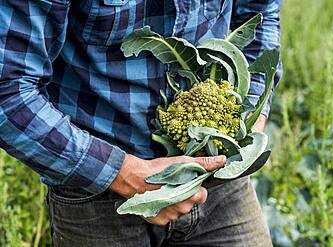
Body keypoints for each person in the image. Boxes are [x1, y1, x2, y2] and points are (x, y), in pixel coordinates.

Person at [0, 0, 282, 246]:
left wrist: (248, 118)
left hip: (219, 182)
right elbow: (8, 92)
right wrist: (123, 174)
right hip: (98, 195)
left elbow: (260, 12)